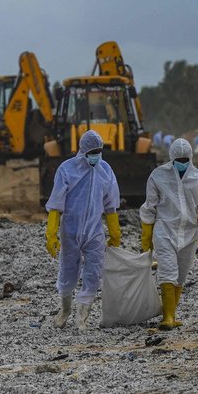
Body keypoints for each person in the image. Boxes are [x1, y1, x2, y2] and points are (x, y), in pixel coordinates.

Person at [45, 130, 121, 331]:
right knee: (69, 270)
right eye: (92, 151)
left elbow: (111, 204)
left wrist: (115, 232)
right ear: (83, 150)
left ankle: (82, 317)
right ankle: (65, 310)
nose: (96, 154)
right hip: (70, 230)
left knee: (94, 272)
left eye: (99, 151)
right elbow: (56, 204)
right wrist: (51, 234)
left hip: (94, 230)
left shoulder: (105, 170)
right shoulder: (67, 169)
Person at [139, 138, 198, 330]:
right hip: (165, 230)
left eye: (185, 158)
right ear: (172, 158)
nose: (182, 162)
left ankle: (171, 312)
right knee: (167, 272)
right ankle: (168, 317)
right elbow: (149, 208)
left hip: (189, 233)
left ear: (190, 157)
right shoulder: (158, 176)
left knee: (181, 275)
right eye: (179, 159)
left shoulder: (197, 177)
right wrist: (146, 237)